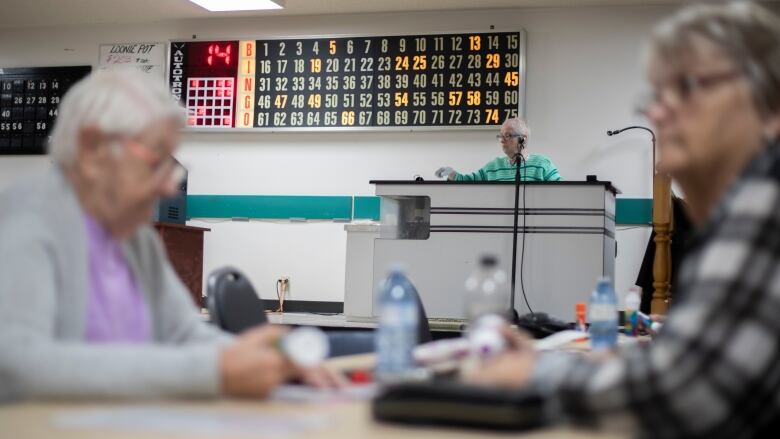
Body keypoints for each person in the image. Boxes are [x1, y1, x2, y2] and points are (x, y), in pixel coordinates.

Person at [468, 2, 780, 437]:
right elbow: (698, 359)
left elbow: (690, 389)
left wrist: (532, 373)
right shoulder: (738, 205)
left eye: (688, 86)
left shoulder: (764, 194)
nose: (658, 112)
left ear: (768, 102)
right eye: (654, 95)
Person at [0, 70, 339, 401]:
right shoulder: (26, 220)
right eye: (155, 162)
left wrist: (269, 361)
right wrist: (212, 371)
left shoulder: (135, 238)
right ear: (92, 149)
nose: (169, 186)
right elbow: (16, 365)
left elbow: (183, 334)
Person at [435, 117, 562, 181]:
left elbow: (562, 192)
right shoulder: (493, 167)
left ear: (523, 138)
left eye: (507, 135)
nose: (502, 140)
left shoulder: (542, 164)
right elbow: (468, 182)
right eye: (500, 136)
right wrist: (451, 173)